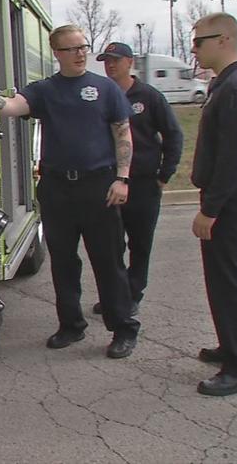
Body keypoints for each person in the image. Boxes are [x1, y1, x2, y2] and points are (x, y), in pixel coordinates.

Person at [0, 24, 140, 359]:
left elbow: (123, 134)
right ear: (56, 53)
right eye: (72, 49)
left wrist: (123, 179)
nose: (80, 54)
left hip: (99, 187)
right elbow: (12, 107)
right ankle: (71, 326)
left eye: (83, 47)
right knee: (63, 261)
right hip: (57, 188)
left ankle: (122, 328)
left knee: (108, 262)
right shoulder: (46, 90)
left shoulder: (104, 89)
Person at [190, 12, 237, 396]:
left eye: (199, 41)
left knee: (232, 282)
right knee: (221, 281)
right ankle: (230, 348)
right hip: (226, 198)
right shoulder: (228, 83)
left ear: (224, 40)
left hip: (232, 202)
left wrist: (211, 209)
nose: (194, 48)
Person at [92, 42, 183, 317]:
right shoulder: (102, 95)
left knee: (140, 244)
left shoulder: (149, 96)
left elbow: (173, 134)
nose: (110, 65)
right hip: (110, 183)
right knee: (112, 245)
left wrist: (164, 175)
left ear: (129, 62)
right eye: (106, 60)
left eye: (116, 60)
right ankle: (116, 296)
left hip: (143, 184)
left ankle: (132, 294)